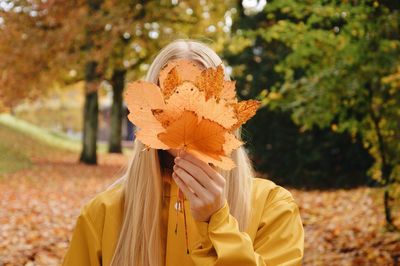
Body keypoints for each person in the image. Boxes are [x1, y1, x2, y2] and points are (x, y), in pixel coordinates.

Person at [62, 39, 304, 266]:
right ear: (150, 114)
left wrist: (217, 223)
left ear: (227, 114)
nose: (188, 119)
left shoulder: (272, 208)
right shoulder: (103, 214)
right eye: (173, 102)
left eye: (202, 101)